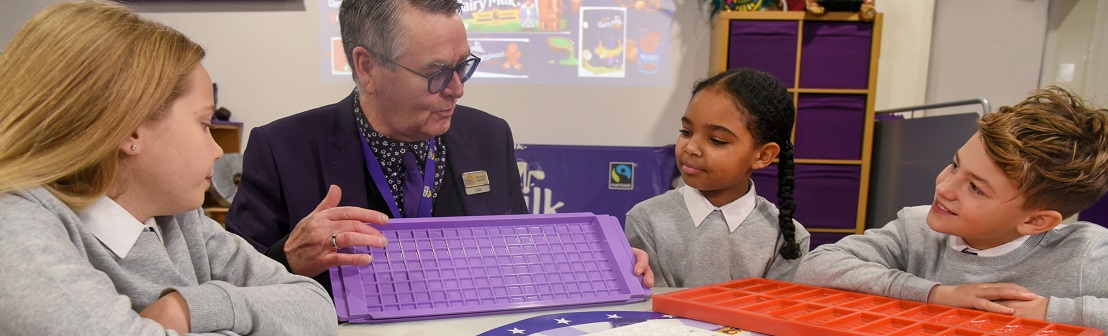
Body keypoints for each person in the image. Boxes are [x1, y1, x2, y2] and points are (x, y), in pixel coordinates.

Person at [225, 0, 654, 291]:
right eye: (436, 73)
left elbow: (521, 250)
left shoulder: (489, 137)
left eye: (462, 66)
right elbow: (230, 283)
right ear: (366, 67)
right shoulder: (282, 149)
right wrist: (289, 258)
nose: (456, 89)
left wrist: (602, 260)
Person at [0, 2, 336, 335]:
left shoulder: (178, 218)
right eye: (205, 123)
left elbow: (314, 307)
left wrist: (187, 310)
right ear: (130, 128)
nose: (219, 150)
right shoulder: (16, 228)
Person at [794, 87, 1108, 330]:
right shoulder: (917, 229)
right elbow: (816, 267)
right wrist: (937, 295)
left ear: (1037, 220)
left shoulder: (1086, 251)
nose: (944, 187)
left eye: (975, 188)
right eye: (954, 165)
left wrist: (1047, 311)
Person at [625, 68, 811, 287]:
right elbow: (649, 309)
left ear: (763, 155)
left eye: (717, 140)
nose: (691, 148)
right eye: (686, 131)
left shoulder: (788, 237)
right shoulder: (646, 219)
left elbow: (774, 315)